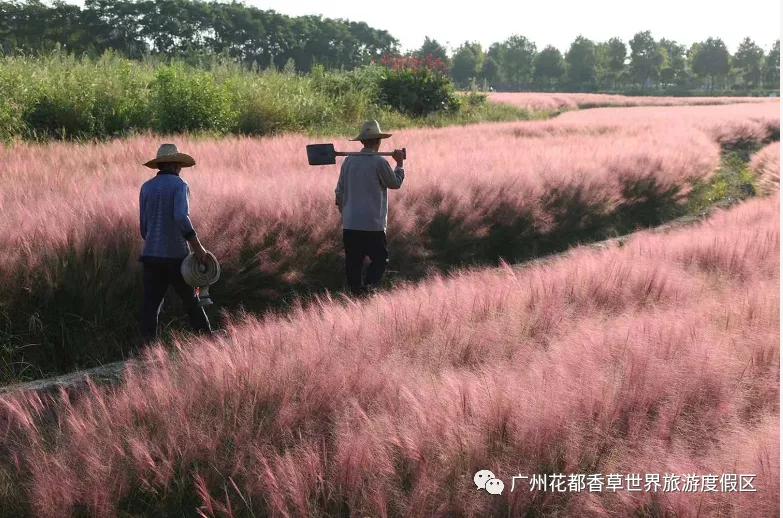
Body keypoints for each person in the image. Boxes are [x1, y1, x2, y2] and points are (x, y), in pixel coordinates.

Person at [139, 143, 212, 343]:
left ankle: (147, 352)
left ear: (161, 165)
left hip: (151, 256)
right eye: (179, 164)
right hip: (176, 257)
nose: (180, 168)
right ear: (174, 165)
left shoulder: (146, 188)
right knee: (191, 301)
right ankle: (208, 342)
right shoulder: (180, 186)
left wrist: (156, 241)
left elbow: (144, 228)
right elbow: (181, 216)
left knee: (151, 306)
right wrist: (197, 247)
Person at [334, 120, 405, 295]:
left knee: (353, 262)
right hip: (372, 223)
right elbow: (394, 184)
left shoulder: (349, 162)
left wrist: (346, 213)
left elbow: (339, 193)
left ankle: (355, 294)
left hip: (351, 224)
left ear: (362, 141)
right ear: (378, 141)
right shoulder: (379, 162)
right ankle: (369, 289)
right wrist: (400, 164)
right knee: (380, 259)